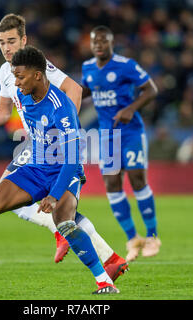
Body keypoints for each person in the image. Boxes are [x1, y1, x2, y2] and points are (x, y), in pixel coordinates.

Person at [0, 14, 127, 282]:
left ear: (24, 40)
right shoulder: (5, 72)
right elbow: (5, 110)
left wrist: (64, 131)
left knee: (5, 199)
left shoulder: (38, 67)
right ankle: (108, 257)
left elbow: (74, 89)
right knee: (13, 202)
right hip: (35, 144)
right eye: (1, 43)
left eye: (11, 41)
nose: (6, 48)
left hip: (49, 146)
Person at [81, 26, 161, 261]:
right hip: (108, 135)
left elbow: (151, 90)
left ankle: (153, 236)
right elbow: (86, 90)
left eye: (103, 41)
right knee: (112, 184)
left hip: (131, 132)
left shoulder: (125, 65)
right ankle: (133, 238)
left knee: (137, 179)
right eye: (95, 41)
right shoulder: (88, 67)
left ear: (111, 42)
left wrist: (130, 109)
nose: (98, 45)